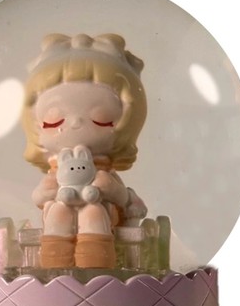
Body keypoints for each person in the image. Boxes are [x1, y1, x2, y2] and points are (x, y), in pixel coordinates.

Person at [22, 33, 148, 268]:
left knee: (93, 212)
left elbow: (122, 198)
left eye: (101, 119)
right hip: (59, 206)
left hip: (104, 211)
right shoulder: (54, 174)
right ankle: (55, 264)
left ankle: (95, 264)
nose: (76, 122)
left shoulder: (104, 175)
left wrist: (110, 189)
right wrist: (46, 192)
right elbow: (38, 198)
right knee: (59, 213)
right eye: (55, 120)